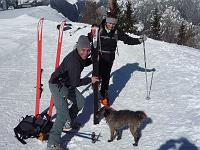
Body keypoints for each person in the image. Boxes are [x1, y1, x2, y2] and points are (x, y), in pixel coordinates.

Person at [88, 15, 154, 106]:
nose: (112, 26)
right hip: (99, 57)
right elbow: (90, 38)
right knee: (97, 74)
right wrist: (83, 44)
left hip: (110, 58)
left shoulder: (116, 32)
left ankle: (104, 97)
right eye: (110, 23)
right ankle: (95, 84)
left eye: (114, 24)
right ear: (106, 22)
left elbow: (127, 39)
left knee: (106, 78)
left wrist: (139, 40)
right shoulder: (99, 30)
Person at [47, 35, 99, 150]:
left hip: (68, 83)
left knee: (80, 101)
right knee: (62, 113)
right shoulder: (73, 62)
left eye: (88, 50)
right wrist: (90, 79)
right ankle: (52, 143)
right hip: (57, 85)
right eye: (83, 50)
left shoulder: (79, 55)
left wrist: (92, 59)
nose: (85, 53)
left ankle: (67, 123)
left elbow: (83, 62)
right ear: (78, 48)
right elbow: (76, 83)